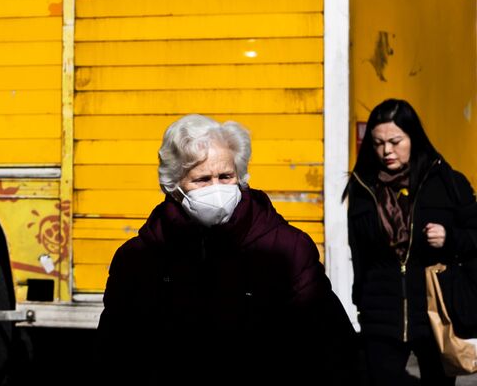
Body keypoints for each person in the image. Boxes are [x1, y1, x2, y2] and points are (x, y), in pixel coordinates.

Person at [98, 114, 356, 384]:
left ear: (240, 176)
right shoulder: (137, 259)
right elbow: (114, 353)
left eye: (225, 176)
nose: (216, 189)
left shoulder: (289, 249)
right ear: (173, 186)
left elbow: (331, 347)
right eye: (202, 179)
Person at [345, 98, 477, 385]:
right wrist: (361, 301)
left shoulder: (447, 183)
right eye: (378, 143)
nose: (386, 151)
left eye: (395, 141)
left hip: (436, 311)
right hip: (380, 312)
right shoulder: (363, 187)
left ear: (413, 138)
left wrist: (450, 238)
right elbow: (359, 252)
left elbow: (474, 235)